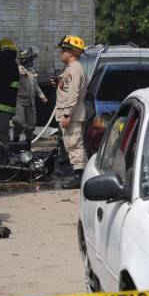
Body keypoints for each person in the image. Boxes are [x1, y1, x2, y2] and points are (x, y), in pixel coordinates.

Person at [54, 35, 88, 190]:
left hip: (72, 114)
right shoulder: (70, 69)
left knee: (74, 145)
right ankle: (79, 175)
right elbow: (68, 88)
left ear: (71, 53)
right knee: (71, 144)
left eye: (63, 50)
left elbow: (74, 94)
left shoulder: (75, 69)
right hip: (70, 113)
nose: (61, 53)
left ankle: (80, 177)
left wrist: (67, 115)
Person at [13, 48, 47, 146]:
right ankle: (15, 141)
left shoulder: (31, 71)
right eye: (28, 59)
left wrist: (42, 96)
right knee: (19, 122)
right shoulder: (18, 70)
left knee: (31, 124)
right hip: (20, 101)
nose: (30, 61)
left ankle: (28, 143)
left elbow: (35, 86)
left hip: (31, 102)